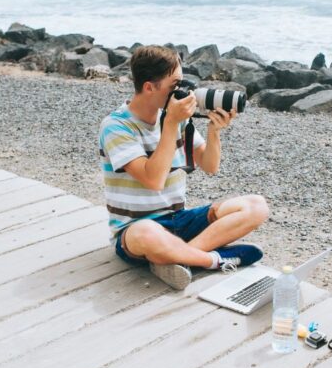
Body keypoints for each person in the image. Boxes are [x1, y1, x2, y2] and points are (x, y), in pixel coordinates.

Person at [98, 45, 269, 289]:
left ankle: (176, 258)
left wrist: (214, 130)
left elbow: (210, 166)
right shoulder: (116, 126)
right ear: (149, 87)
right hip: (136, 231)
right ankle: (213, 259)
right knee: (146, 232)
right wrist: (170, 124)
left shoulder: (173, 117)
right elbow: (153, 180)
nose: (182, 90)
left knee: (256, 206)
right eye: (175, 84)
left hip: (179, 219)